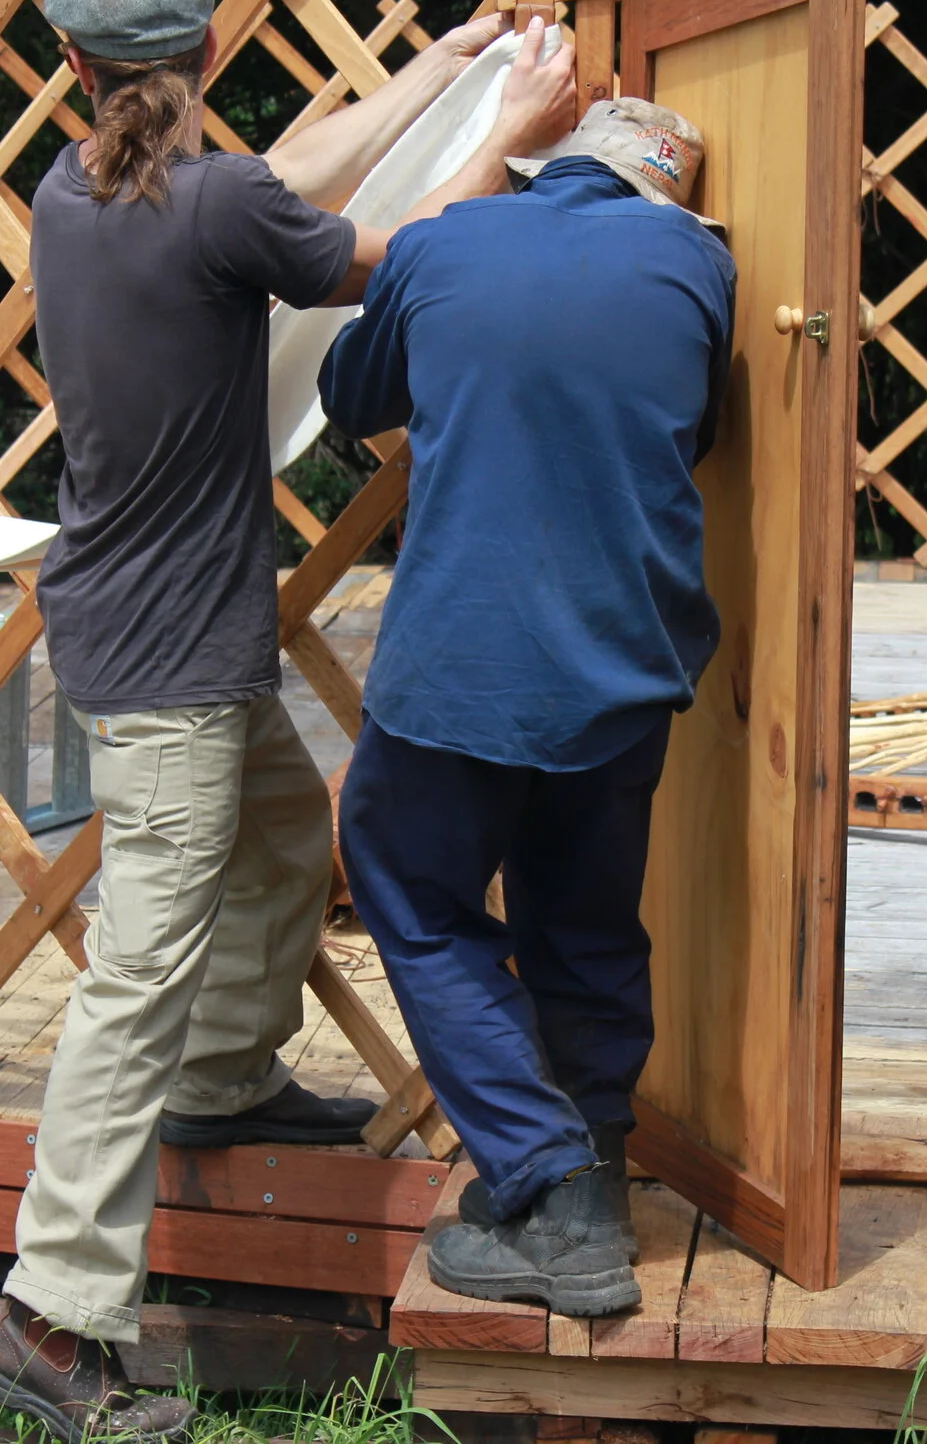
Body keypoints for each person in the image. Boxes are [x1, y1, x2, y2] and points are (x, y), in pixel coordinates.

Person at [0, 0, 575, 1439]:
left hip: (154, 629)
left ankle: (225, 1080)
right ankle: (51, 1314)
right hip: (172, 653)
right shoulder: (216, 205)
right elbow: (397, 250)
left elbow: (286, 168)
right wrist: (513, 130)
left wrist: (440, 68)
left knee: (293, 830)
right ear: (214, 47)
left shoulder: (78, 190)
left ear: (74, 73)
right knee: (134, 981)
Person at [319, 98, 735, 1318]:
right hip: (625, 654)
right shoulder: (699, 265)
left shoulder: (446, 241)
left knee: (409, 885)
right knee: (586, 918)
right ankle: (593, 1192)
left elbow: (352, 394)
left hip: (461, 661)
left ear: (540, 168)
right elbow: (696, 426)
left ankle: (547, 1181)